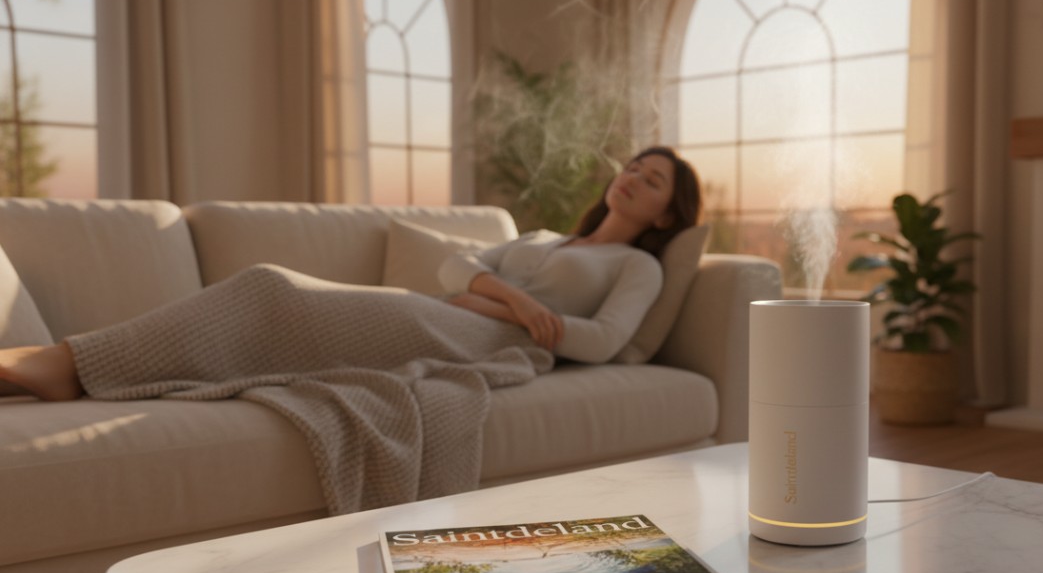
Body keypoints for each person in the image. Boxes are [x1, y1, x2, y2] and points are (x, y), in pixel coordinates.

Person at [0, 146, 703, 402]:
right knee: (268, 285)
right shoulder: (545, 235)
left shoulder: (636, 266)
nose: (636, 177)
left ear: (670, 212)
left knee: (270, 287)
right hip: (449, 310)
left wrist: (506, 313)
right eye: (635, 167)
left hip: (488, 343)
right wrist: (509, 292)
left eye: (656, 179)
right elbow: (457, 263)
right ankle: (73, 359)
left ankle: (71, 366)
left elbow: (604, 343)